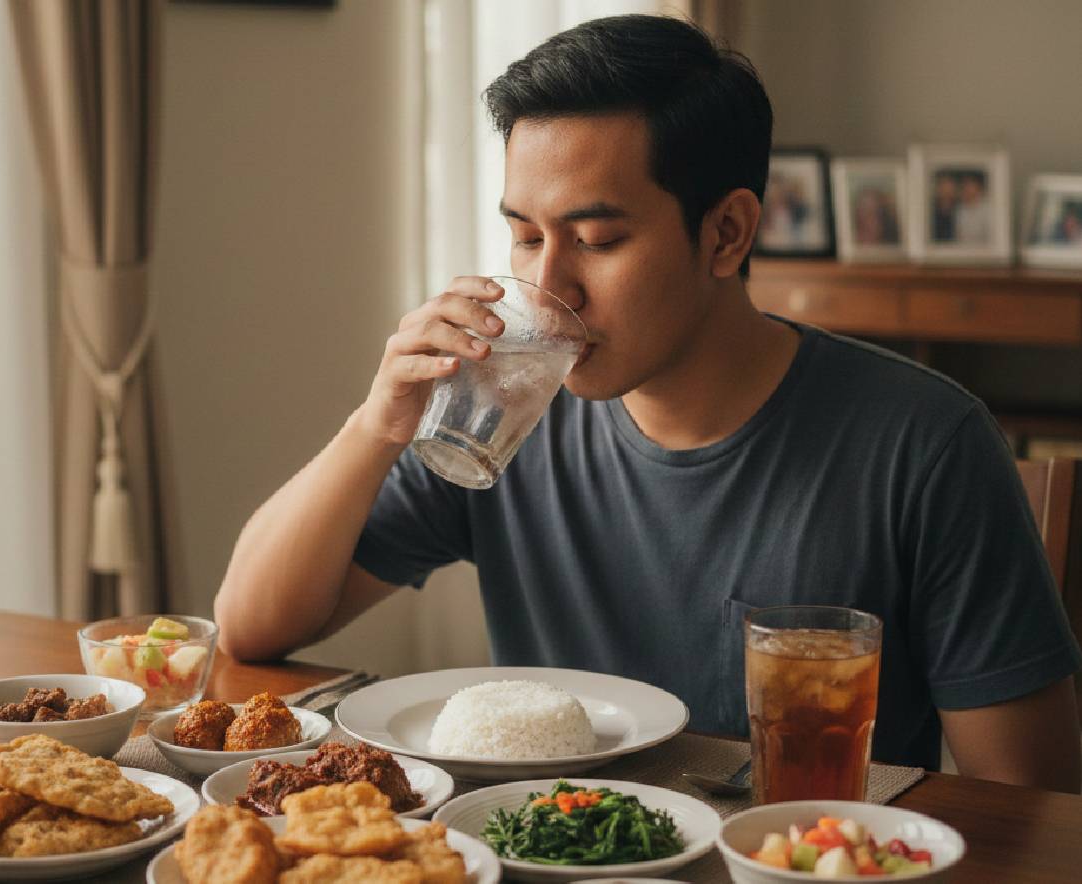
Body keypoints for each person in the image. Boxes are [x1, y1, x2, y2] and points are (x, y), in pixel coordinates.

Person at [214, 15, 1081, 790]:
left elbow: (1031, 803)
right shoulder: (511, 408)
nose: (547, 285)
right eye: (523, 235)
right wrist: (376, 425)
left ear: (726, 232)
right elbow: (249, 626)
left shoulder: (922, 442)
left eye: (597, 240)